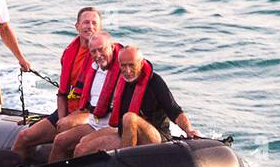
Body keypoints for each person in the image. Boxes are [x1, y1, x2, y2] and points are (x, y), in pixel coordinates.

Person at [73, 46, 202, 156]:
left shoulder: (155, 82)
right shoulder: (121, 81)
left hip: (156, 137)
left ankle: (126, 165)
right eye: (124, 66)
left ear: (140, 63)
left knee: (130, 118)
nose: (127, 71)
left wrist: (189, 130)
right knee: (82, 146)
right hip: (125, 133)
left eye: (131, 65)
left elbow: (175, 111)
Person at [13, 6, 103, 159]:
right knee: (24, 137)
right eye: (86, 22)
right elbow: (62, 93)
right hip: (69, 107)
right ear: (77, 26)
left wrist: (65, 122)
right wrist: (62, 118)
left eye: (94, 23)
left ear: (100, 28)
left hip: (91, 112)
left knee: (65, 127)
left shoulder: (104, 55)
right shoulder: (69, 52)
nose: (90, 27)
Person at [47, 31, 124, 162]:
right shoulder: (93, 69)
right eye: (94, 52)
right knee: (60, 141)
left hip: (112, 126)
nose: (98, 55)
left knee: (81, 148)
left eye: (101, 50)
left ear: (112, 47)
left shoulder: (123, 71)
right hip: (94, 122)